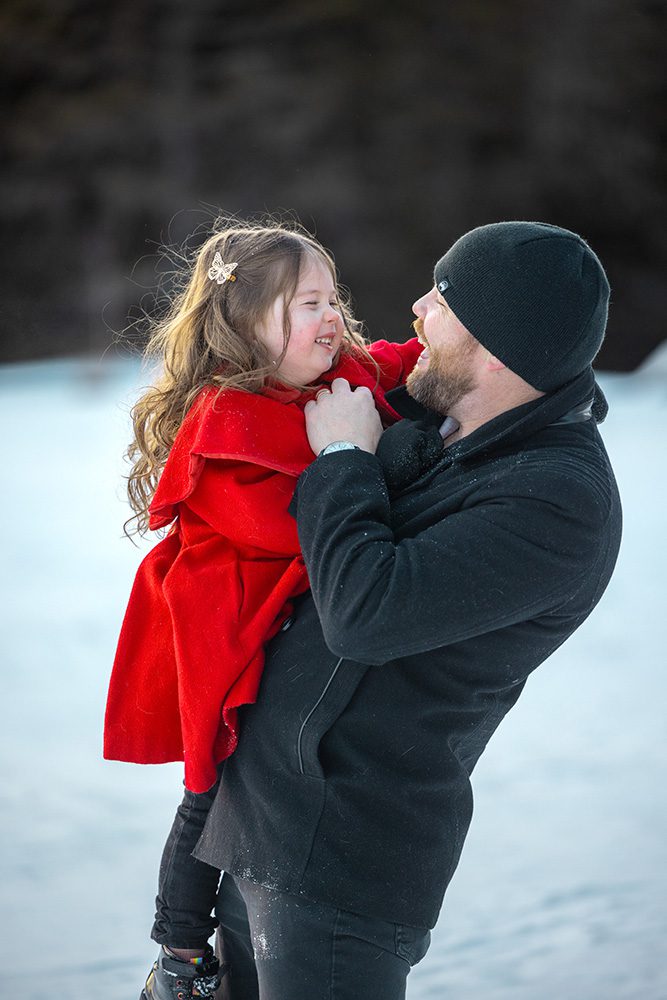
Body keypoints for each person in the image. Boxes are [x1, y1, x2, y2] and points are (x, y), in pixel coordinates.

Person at [187, 221, 623, 999]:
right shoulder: (446, 430)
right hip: (263, 828)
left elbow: (367, 613)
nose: (416, 308)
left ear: (498, 345)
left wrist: (345, 461)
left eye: (444, 299)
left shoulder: (557, 501)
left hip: (343, 863)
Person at [102, 220, 423, 1000]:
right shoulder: (227, 419)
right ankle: (179, 954)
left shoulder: (329, 375)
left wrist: (459, 341)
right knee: (212, 787)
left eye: (331, 298)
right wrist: (354, 461)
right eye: (306, 303)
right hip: (228, 625)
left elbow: (388, 364)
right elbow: (281, 528)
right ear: (248, 325)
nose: (331, 318)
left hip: (278, 621)